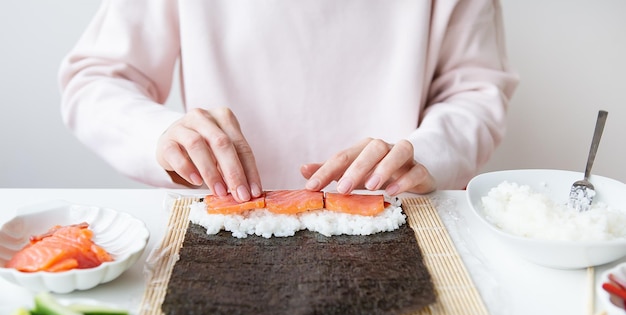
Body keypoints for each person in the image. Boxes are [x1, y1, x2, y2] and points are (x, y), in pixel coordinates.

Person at [59, 0, 518, 202]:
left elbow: (474, 91)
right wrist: (160, 135)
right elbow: (95, 79)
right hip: (227, 216)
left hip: (401, 213)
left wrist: (428, 152)